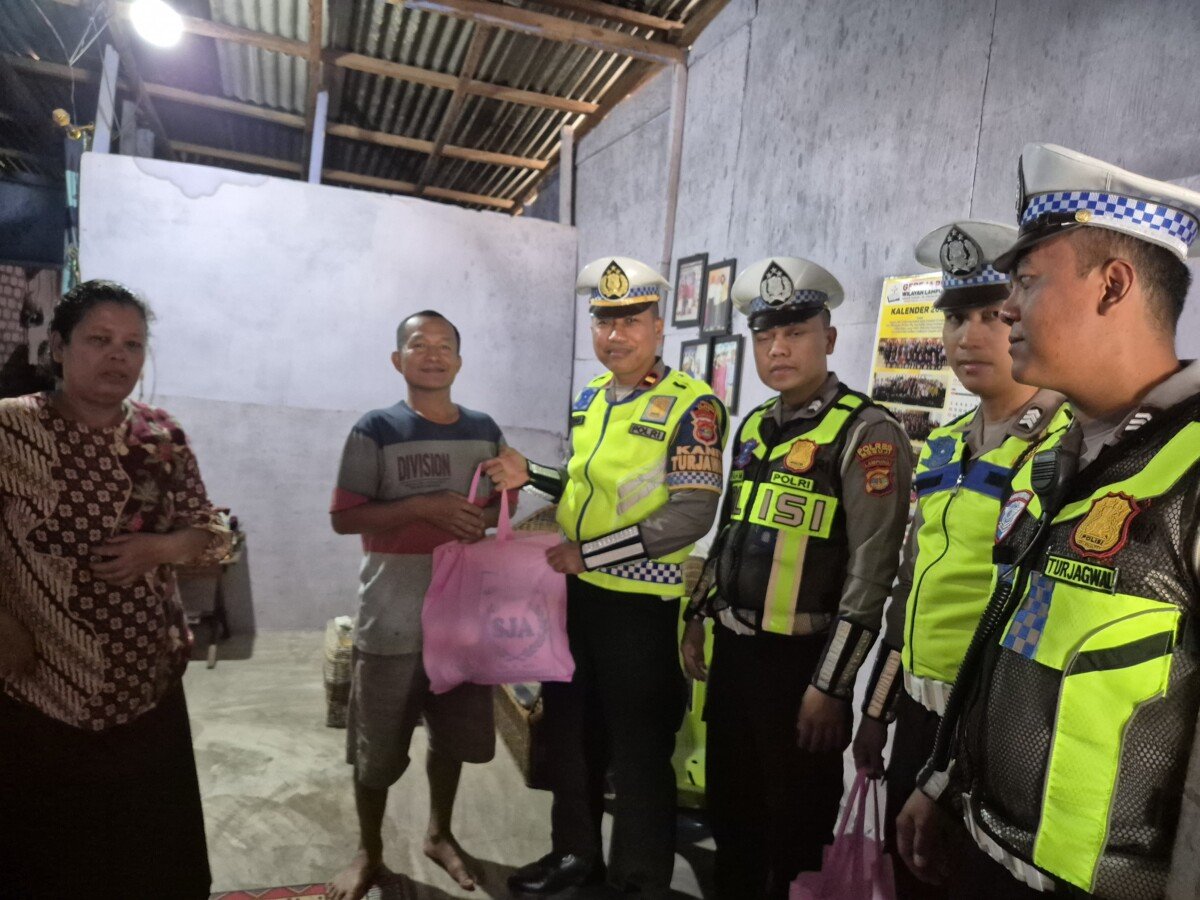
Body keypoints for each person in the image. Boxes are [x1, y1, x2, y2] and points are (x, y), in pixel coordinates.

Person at [897, 144, 1200, 898]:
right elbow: (1011, 638)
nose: (1006, 309)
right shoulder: (1058, 462)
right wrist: (941, 778)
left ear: (1113, 285)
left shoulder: (1189, 469)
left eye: (1026, 282)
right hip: (986, 851)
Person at [484, 257, 727, 899]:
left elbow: (691, 513)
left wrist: (590, 554)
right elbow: (581, 487)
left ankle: (637, 882)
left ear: (658, 327)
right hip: (574, 600)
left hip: (640, 608)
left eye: (631, 320)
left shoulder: (693, 406)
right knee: (571, 738)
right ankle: (575, 858)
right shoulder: (592, 398)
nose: (615, 335)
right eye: (604, 321)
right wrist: (531, 474)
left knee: (639, 753)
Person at [680, 257, 913, 899]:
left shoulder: (866, 433)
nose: (778, 349)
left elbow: (872, 574)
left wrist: (831, 687)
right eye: (765, 336)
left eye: (796, 333)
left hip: (802, 669)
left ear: (829, 339)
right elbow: (730, 531)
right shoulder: (756, 426)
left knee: (796, 828)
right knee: (732, 813)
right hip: (735, 656)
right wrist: (697, 617)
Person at [850, 221, 1067, 900]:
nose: (969, 337)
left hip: (991, 734)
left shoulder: (1066, 448)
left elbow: (1038, 617)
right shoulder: (944, 445)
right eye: (955, 318)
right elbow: (912, 589)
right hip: (918, 715)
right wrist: (877, 709)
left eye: (991, 316)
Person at [0, 280, 230, 899]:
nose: (117, 356)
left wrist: (161, 549)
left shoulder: (162, 437)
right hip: (40, 687)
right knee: (50, 862)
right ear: (59, 347)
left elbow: (214, 536)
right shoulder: (11, 429)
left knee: (148, 862)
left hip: (147, 682)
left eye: (132, 344)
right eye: (99, 339)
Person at [328, 310, 510, 900]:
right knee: (375, 748)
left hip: (461, 620)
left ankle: (439, 833)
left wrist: (479, 515)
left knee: (452, 738)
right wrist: (424, 506)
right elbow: (344, 517)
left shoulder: (484, 430)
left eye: (444, 346)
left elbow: (499, 507)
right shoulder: (375, 429)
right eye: (418, 344)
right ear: (397, 359)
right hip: (392, 615)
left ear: (459, 360)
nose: (433, 354)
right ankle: (369, 851)